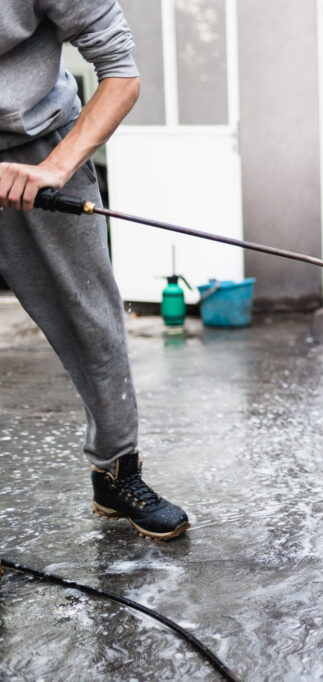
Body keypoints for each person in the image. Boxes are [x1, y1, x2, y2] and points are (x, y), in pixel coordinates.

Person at [0, 1, 188, 540]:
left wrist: (57, 167)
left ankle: (116, 473)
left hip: (42, 146)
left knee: (93, 322)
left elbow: (121, 75)